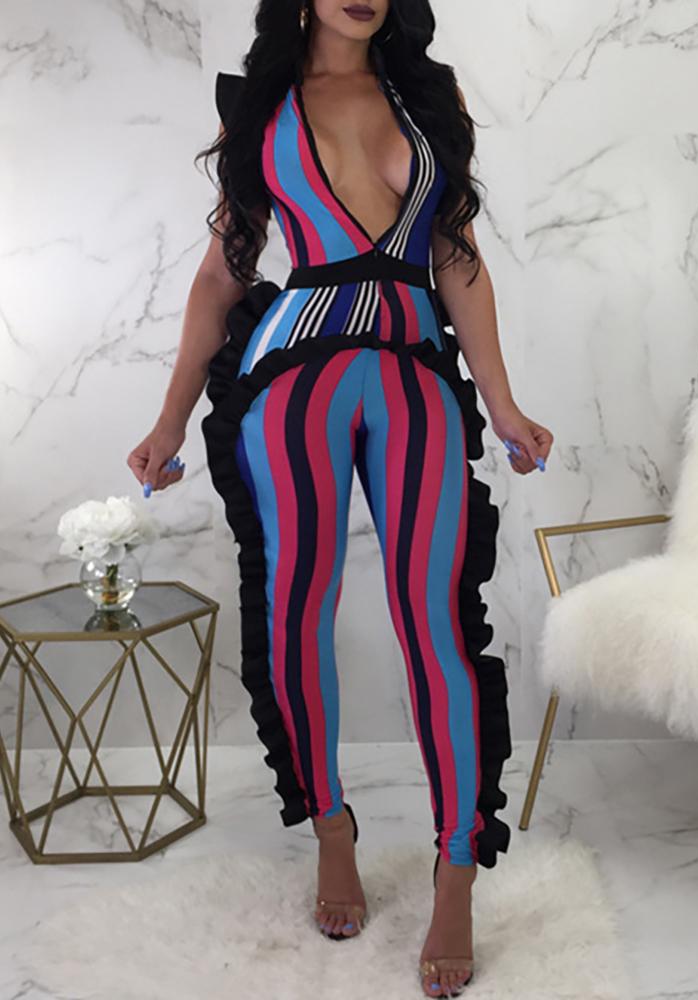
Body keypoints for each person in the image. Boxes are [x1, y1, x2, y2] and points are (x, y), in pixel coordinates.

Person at [127, 1, 553, 995]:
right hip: (293, 385)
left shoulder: (430, 96)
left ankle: (457, 867)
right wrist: (168, 420)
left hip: (414, 377)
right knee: (295, 612)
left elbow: (455, 256)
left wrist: (502, 401)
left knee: (438, 624)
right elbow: (222, 275)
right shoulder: (262, 104)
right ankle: (330, 825)